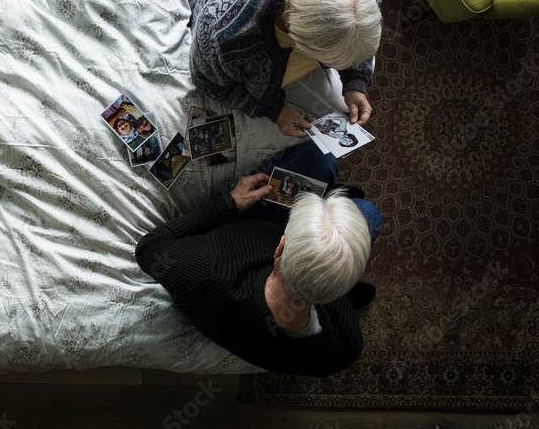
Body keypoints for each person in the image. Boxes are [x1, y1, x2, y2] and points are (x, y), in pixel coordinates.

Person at [135, 143, 380, 377]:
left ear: (280, 248)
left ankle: (335, 201)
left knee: (323, 161)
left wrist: (229, 203)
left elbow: (149, 248)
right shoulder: (345, 348)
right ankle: (340, 207)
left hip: (247, 224)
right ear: (340, 289)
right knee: (369, 212)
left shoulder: (205, 270)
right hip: (291, 258)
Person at [189, 0, 382, 138]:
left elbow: (357, 30)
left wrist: (355, 80)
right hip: (243, 35)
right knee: (327, 123)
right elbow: (207, 82)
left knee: (339, 117)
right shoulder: (224, 38)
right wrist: (275, 111)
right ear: (298, 43)